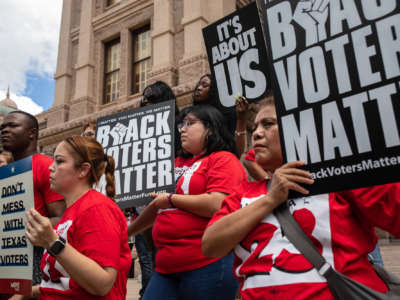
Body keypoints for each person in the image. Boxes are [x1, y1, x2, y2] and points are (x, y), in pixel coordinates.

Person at [202, 97, 400, 300]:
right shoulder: (243, 193)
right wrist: (270, 200)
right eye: (254, 128)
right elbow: (210, 246)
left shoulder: (341, 178)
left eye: (268, 124)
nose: (257, 133)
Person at [128, 104, 247, 300]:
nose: (182, 129)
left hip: (207, 265)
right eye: (181, 124)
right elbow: (157, 206)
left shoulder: (224, 160)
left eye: (190, 123)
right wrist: (126, 234)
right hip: (165, 268)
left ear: (210, 128)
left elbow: (219, 203)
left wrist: (172, 199)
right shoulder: (176, 163)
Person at [25, 135, 132, 299]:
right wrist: (26, 293)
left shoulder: (97, 208)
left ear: (83, 170)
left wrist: (52, 242)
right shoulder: (71, 211)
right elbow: (65, 282)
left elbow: (102, 284)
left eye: (59, 161)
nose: (50, 168)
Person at [0, 111, 66, 291]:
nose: (4, 130)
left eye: (12, 126)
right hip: (6, 258)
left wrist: (19, 233)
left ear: (32, 133)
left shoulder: (45, 166)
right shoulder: (5, 172)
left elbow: (61, 219)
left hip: (33, 258)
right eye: (3, 127)